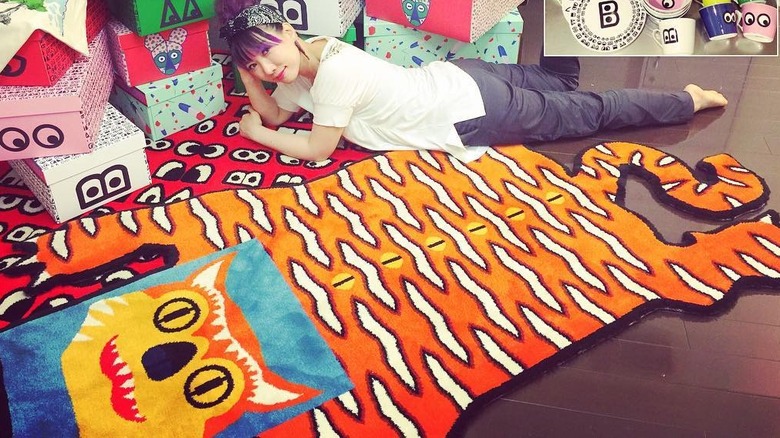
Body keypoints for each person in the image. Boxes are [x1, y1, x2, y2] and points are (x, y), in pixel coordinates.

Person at [216, 1, 728, 163]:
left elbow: (314, 146)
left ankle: (686, 99)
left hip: (470, 110)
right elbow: (280, 112)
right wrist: (247, 78)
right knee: (558, 80)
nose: (267, 69)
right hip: (459, 78)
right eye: (253, 66)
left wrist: (255, 134)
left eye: (267, 53)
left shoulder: (334, 76)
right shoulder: (311, 54)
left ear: (288, 30)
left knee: (589, 111)